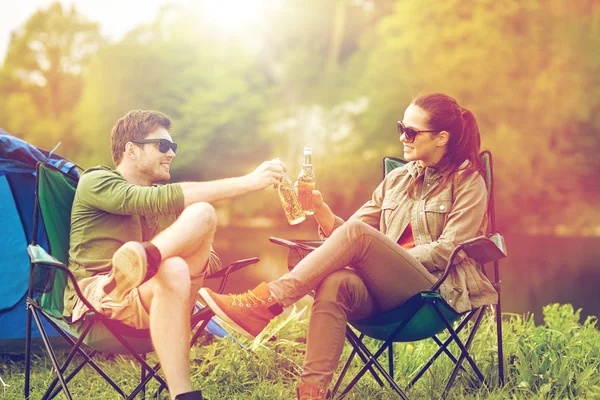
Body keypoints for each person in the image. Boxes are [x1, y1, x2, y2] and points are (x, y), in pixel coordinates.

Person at [199, 93, 499, 400]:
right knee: (336, 281)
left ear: (441, 138)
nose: (402, 137)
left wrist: (390, 258)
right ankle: (312, 392)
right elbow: (351, 235)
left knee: (358, 238)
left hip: (433, 290)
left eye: (410, 132)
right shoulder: (396, 180)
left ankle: (266, 302)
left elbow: (449, 250)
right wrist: (322, 211)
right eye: (400, 127)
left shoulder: (468, 182)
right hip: (386, 292)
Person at [65, 110, 286, 400]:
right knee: (178, 261)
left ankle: (146, 259)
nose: (171, 154)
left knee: (197, 226)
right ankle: (144, 261)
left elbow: (210, 258)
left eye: (173, 147)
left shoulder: (163, 207)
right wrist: (250, 182)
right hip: (101, 295)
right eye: (163, 146)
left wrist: (186, 242)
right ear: (131, 149)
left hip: (151, 295)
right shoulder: (96, 181)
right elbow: (145, 200)